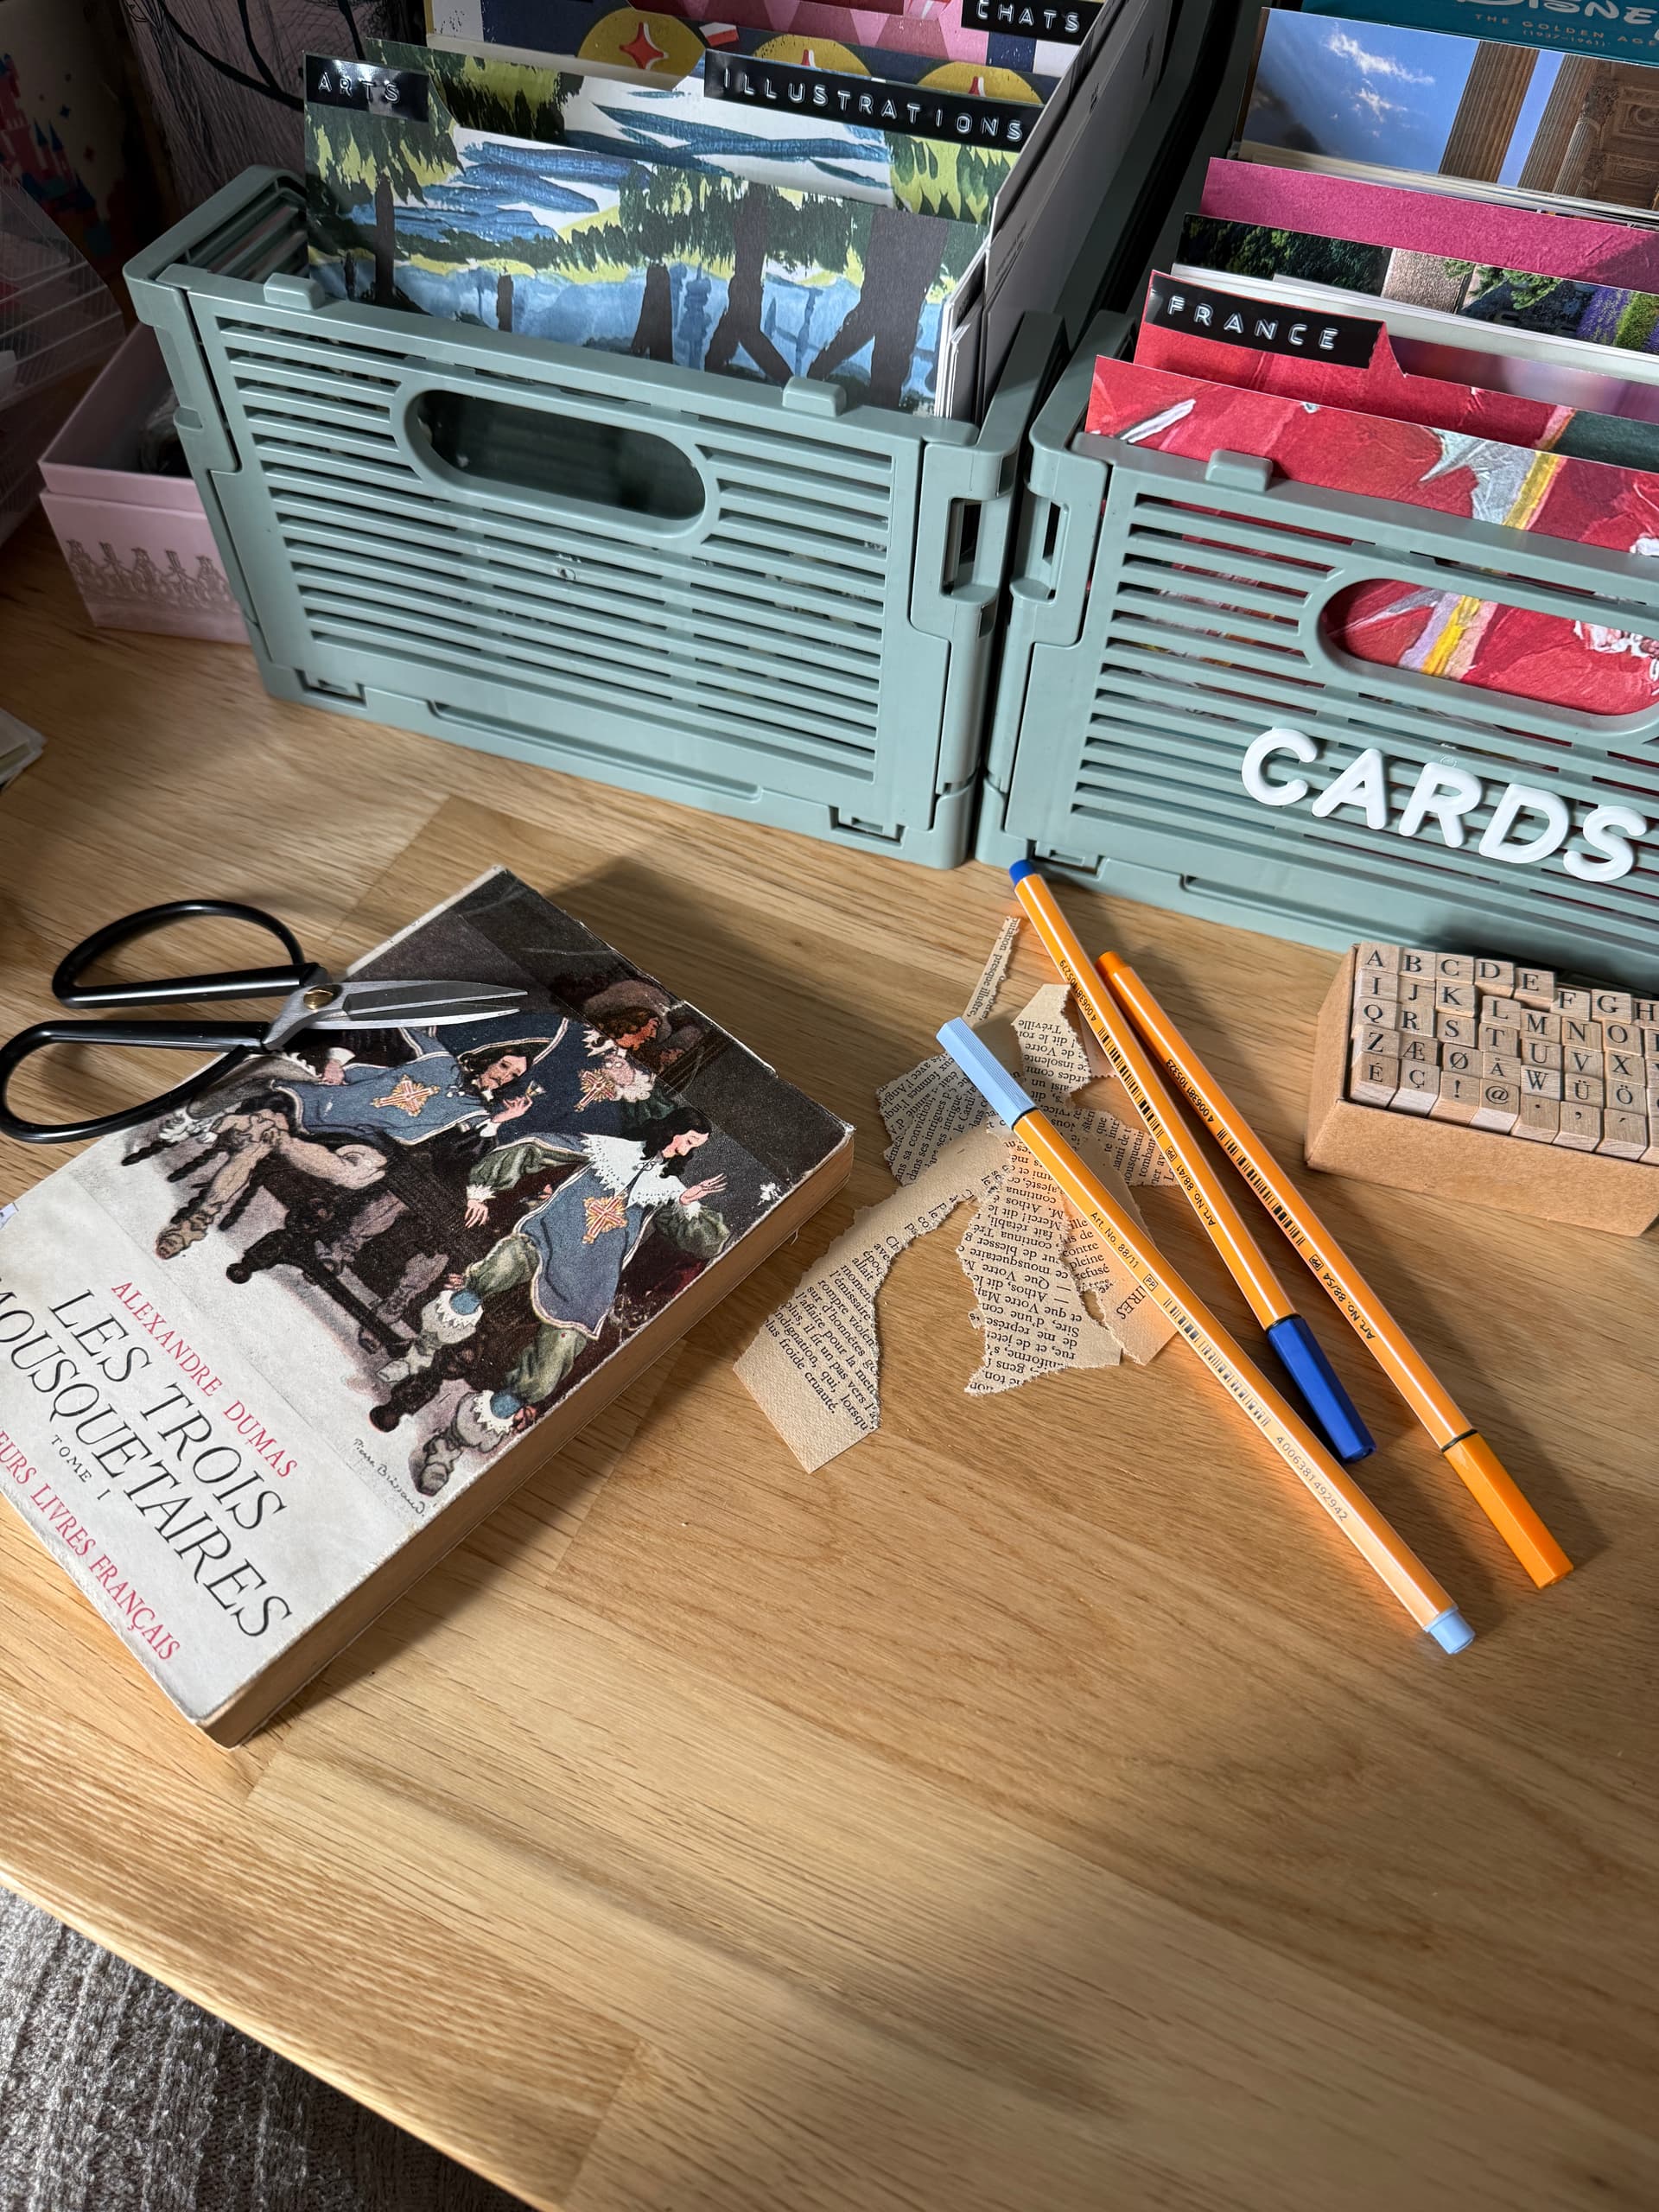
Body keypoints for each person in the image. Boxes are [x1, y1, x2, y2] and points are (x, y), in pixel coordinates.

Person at [388, 1109, 728, 1495]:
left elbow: (709, 1243)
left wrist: (687, 1204)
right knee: (499, 1267)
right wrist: (482, 1189)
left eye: (695, 1147)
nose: (686, 1150)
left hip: (588, 1285)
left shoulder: (668, 1190)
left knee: (546, 1373)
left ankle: (449, 1447)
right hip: (542, 1242)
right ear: (671, 1130)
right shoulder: (607, 1150)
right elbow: (535, 1148)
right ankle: (416, 1356)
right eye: (687, 1140)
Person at [151, 1032, 558, 1261]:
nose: (504, 1076)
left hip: (364, 1138)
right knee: (257, 1143)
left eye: (513, 1077)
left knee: (361, 1174)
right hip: (328, 1102)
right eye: (504, 1065)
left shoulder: (475, 1114)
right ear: (489, 1057)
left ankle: (243, 1127)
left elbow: (454, 1160)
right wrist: (336, 1061)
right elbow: (377, 1027)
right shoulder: (436, 1057)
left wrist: (496, 1124)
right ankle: (196, 1221)